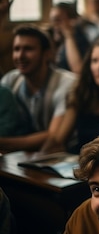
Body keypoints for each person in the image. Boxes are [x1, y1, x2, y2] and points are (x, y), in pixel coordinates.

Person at [0, 25, 76, 153]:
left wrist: (3, 142)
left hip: (62, 156)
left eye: (28, 49)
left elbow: (53, 136)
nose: (20, 56)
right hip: (22, 156)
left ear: (47, 54)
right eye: (16, 49)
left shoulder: (67, 83)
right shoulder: (11, 79)